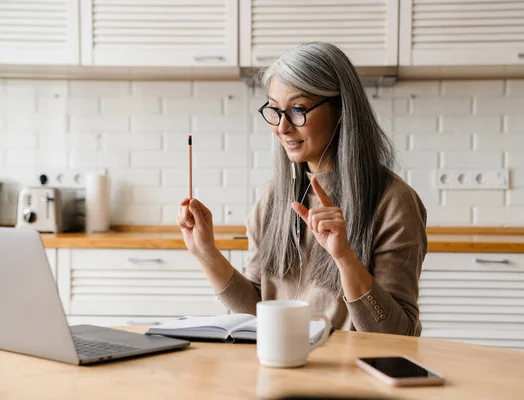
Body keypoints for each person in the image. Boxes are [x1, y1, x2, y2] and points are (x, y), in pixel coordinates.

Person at [177, 42, 427, 336]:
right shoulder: (272, 198)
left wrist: (345, 258)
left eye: (298, 109)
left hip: (353, 376)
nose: (282, 127)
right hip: (280, 365)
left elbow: (398, 335)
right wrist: (206, 253)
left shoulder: (393, 201)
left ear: (342, 109)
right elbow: (256, 312)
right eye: (274, 110)